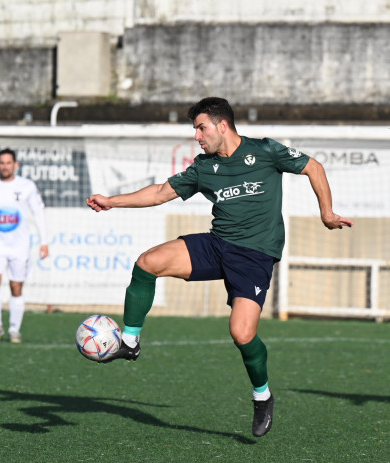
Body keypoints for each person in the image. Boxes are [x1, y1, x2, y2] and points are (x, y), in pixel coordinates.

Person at [86, 97, 353, 437]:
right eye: (195, 129)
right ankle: (131, 341)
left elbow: (314, 167)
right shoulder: (203, 167)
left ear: (221, 125)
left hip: (255, 256)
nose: (197, 136)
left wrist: (326, 213)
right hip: (217, 245)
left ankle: (263, 396)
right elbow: (158, 193)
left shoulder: (266, 150)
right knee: (147, 262)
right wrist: (112, 201)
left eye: (201, 128)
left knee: (242, 333)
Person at [0, 148, 49, 343]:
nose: (5, 166)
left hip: (19, 245)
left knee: (16, 286)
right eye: (1, 163)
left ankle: (14, 329)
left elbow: (38, 213)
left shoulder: (27, 186)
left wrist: (44, 241)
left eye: (8, 163)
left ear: (16, 165)